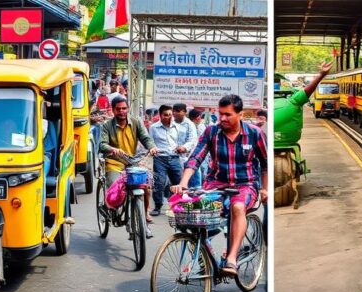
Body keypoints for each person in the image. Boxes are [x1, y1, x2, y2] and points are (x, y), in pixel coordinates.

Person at [173, 93, 268, 277]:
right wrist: (183, 183)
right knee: (196, 215)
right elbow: (195, 158)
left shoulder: (254, 133)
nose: (222, 118)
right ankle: (204, 256)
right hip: (216, 184)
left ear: (240, 114)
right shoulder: (211, 132)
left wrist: (264, 188)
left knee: (237, 207)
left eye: (227, 114)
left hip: (245, 185)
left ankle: (231, 259)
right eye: (220, 113)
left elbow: (265, 164)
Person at [97, 96, 159, 231]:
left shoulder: (136, 122)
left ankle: (145, 213)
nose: (121, 111)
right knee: (115, 187)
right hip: (114, 162)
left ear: (128, 109)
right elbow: (102, 144)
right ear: (113, 110)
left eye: (124, 108)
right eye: (118, 109)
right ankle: (110, 207)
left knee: (146, 185)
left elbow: (145, 138)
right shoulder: (107, 126)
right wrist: (112, 149)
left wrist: (152, 147)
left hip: (132, 161)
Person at [149, 105, 191, 216]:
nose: (168, 117)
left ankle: (180, 206)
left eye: (170, 115)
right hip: (160, 158)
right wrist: (152, 149)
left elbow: (187, 140)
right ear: (160, 115)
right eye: (165, 115)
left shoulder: (178, 127)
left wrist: (184, 147)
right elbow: (150, 142)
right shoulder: (153, 128)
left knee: (179, 182)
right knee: (159, 182)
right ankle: (158, 206)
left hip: (175, 158)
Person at [187, 109, 207, 189]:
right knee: (196, 179)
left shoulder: (197, 126)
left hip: (196, 155)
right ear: (197, 117)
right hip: (194, 155)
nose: (201, 118)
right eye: (200, 116)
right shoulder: (197, 126)